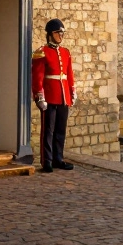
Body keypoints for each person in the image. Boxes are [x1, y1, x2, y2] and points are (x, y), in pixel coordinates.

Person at [32, 18, 75, 172]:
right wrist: (39, 96)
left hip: (63, 96)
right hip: (49, 96)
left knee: (60, 130)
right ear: (50, 34)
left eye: (62, 33)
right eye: (58, 33)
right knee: (48, 131)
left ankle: (58, 158)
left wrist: (72, 91)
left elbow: (69, 74)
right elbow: (37, 77)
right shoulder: (42, 52)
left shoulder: (65, 52)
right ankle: (47, 161)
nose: (61, 36)